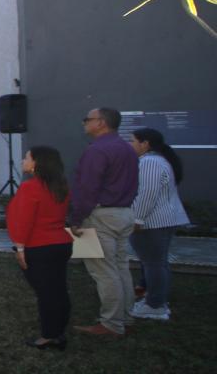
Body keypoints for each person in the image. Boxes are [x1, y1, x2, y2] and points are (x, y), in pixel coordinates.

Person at [69, 107, 139, 337]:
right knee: (120, 267)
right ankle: (125, 317)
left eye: (87, 119)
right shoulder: (127, 149)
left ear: (101, 123)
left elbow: (87, 189)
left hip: (99, 216)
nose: (84, 123)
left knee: (103, 272)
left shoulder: (97, 150)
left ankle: (111, 324)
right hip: (124, 213)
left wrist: (76, 219)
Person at [8, 146, 73, 350]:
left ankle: (50, 335)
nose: (23, 161)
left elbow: (23, 220)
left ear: (37, 163)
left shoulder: (31, 188)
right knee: (58, 289)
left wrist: (19, 248)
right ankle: (58, 330)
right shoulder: (60, 186)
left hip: (39, 247)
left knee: (46, 293)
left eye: (27, 157)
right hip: (60, 244)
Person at [128, 127, 191, 321]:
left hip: (153, 223)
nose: (130, 145)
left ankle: (155, 305)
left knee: (153, 263)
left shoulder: (150, 162)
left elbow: (147, 194)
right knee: (158, 262)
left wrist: (137, 219)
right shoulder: (157, 160)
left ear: (145, 143)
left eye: (133, 141)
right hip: (159, 221)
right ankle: (155, 298)